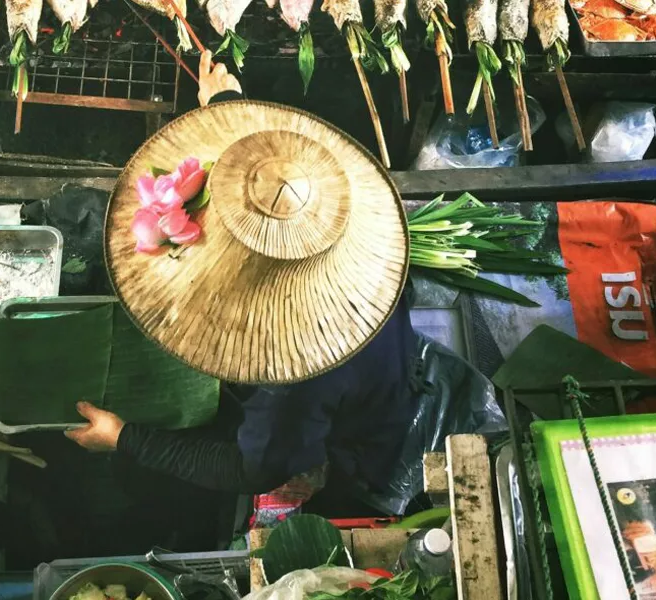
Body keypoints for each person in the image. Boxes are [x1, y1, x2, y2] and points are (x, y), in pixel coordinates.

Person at [66, 53, 424, 514]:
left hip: (364, 431)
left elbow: (248, 470)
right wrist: (227, 104)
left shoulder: (291, 373)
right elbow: (274, 187)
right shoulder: (326, 197)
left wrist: (123, 438)